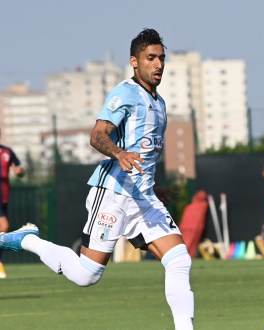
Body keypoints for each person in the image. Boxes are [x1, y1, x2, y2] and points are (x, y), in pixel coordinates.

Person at [0, 28, 194, 330]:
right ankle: (28, 240)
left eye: (161, 58)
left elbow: (145, 152)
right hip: (114, 194)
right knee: (86, 275)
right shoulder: (124, 93)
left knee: (180, 260)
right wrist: (119, 153)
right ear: (134, 61)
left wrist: (155, 186)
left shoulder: (160, 103)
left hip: (143, 198)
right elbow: (97, 135)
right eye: (150, 58)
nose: (158, 65)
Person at [0, 133, 25, 279]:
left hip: (4, 197)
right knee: (3, 227)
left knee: (1, 231)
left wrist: (19, 172)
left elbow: (20, 170)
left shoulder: (7, 152)